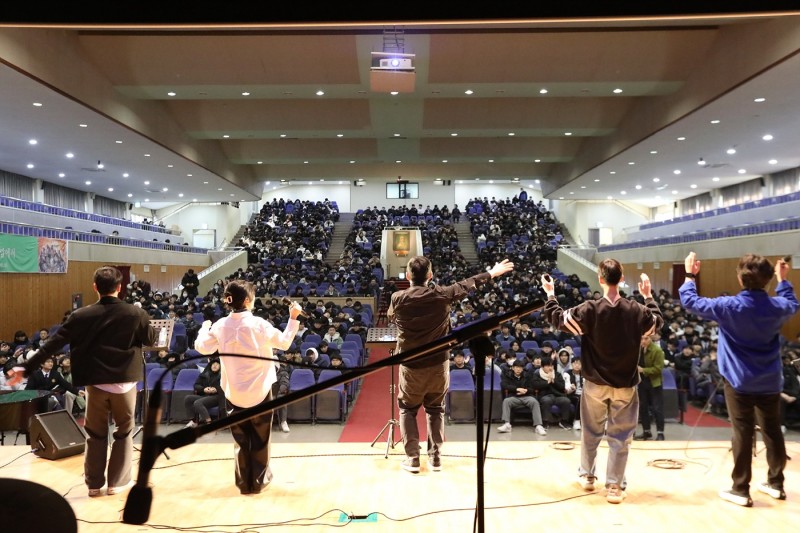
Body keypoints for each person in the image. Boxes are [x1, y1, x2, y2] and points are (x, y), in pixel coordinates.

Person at [15, 266, 157, 497]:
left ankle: (93, 484)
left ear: (95, 287)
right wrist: (145, 319)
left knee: (95, 433)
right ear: (120, 288)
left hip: (95, 384)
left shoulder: (80, 316)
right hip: (125, 384)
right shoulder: (135, 313)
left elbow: (53, 343)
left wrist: (26, 368)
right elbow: (150, 338)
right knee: (124, 431)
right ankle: (117, 483)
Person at [679, 252, 798, 506]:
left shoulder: (729, 306)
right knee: (773, 430)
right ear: (767, 280)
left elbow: (690, 301)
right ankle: (776, 484)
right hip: (769, 382)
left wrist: (690, 275)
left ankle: (741, 489)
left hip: (738, 381)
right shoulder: (777, 307)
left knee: (743, 432)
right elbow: (792, 303)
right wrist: (783, 280)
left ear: (740, 278)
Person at [542, 259, 663, 504]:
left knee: (590, 431)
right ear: (621, 278)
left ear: (600, 278)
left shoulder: (589, 309)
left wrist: (551, 294)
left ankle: (587, 476)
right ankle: (614, 487)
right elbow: (657, 323)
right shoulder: (637, 310)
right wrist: (648, 296)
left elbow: (557, 319)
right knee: (620, 438)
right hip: (626, 386)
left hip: (595, 384)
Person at [388, 255, 514, 473]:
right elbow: (468, 283)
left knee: (407, 409)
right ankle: (435, 458)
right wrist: (492, 272)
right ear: (430, 275)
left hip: (411, 367)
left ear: (408, 276)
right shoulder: (442, 294)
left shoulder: (398, 298)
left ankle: (413, 459)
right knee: (435, 409)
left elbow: (391, 317)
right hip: (439, 365)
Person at [194, 279, 303, 495]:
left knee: (240, 439)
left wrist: (203, 328)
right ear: (247, 300)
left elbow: (202, 347)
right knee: (261, 437)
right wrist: (292, 319)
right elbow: (283, 343)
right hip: (260, 390)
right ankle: (259, 481)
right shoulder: (258, 324)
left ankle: (244, 482)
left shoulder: (220, 325)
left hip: (233, 391)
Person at [497, 359, 546, 435]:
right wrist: (516, 389)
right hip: (514, 397)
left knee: (534, 402)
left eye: (520, 367)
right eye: (516, 367)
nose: (518, 369)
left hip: (527, 396)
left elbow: (533, 387)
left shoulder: (528, 375)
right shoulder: (507, 375)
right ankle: (507, 424)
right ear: (512, 368)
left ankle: (538, 425)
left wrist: (526, 390)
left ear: (523, 369)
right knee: (506, 401)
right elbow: (504, 385)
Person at [633, 334, 666, 441]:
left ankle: (660, 433)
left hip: (655, 383)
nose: (643, 341)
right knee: (643, 407)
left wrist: (644, 370)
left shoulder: (658, 351)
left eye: (646, 338)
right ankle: (646, 431)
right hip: (642, 382)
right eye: (641, 338)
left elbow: (658, 369)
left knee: (657, 408)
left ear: (651, 338)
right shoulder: (638, 349)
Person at [184, 358, 225, 428]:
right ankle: (193, 421)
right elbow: (196, 385)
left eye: (217, 364)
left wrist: (216, 389)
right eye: (213, 364)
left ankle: (209, 422)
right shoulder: (204, 374)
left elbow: (225, 387)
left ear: (220, 366)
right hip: (205, 395)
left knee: (197, 403)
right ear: (210, 366)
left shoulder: (223, 375)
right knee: (188, 398)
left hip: (217, 397)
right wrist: (204, 389)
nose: (214, 366)